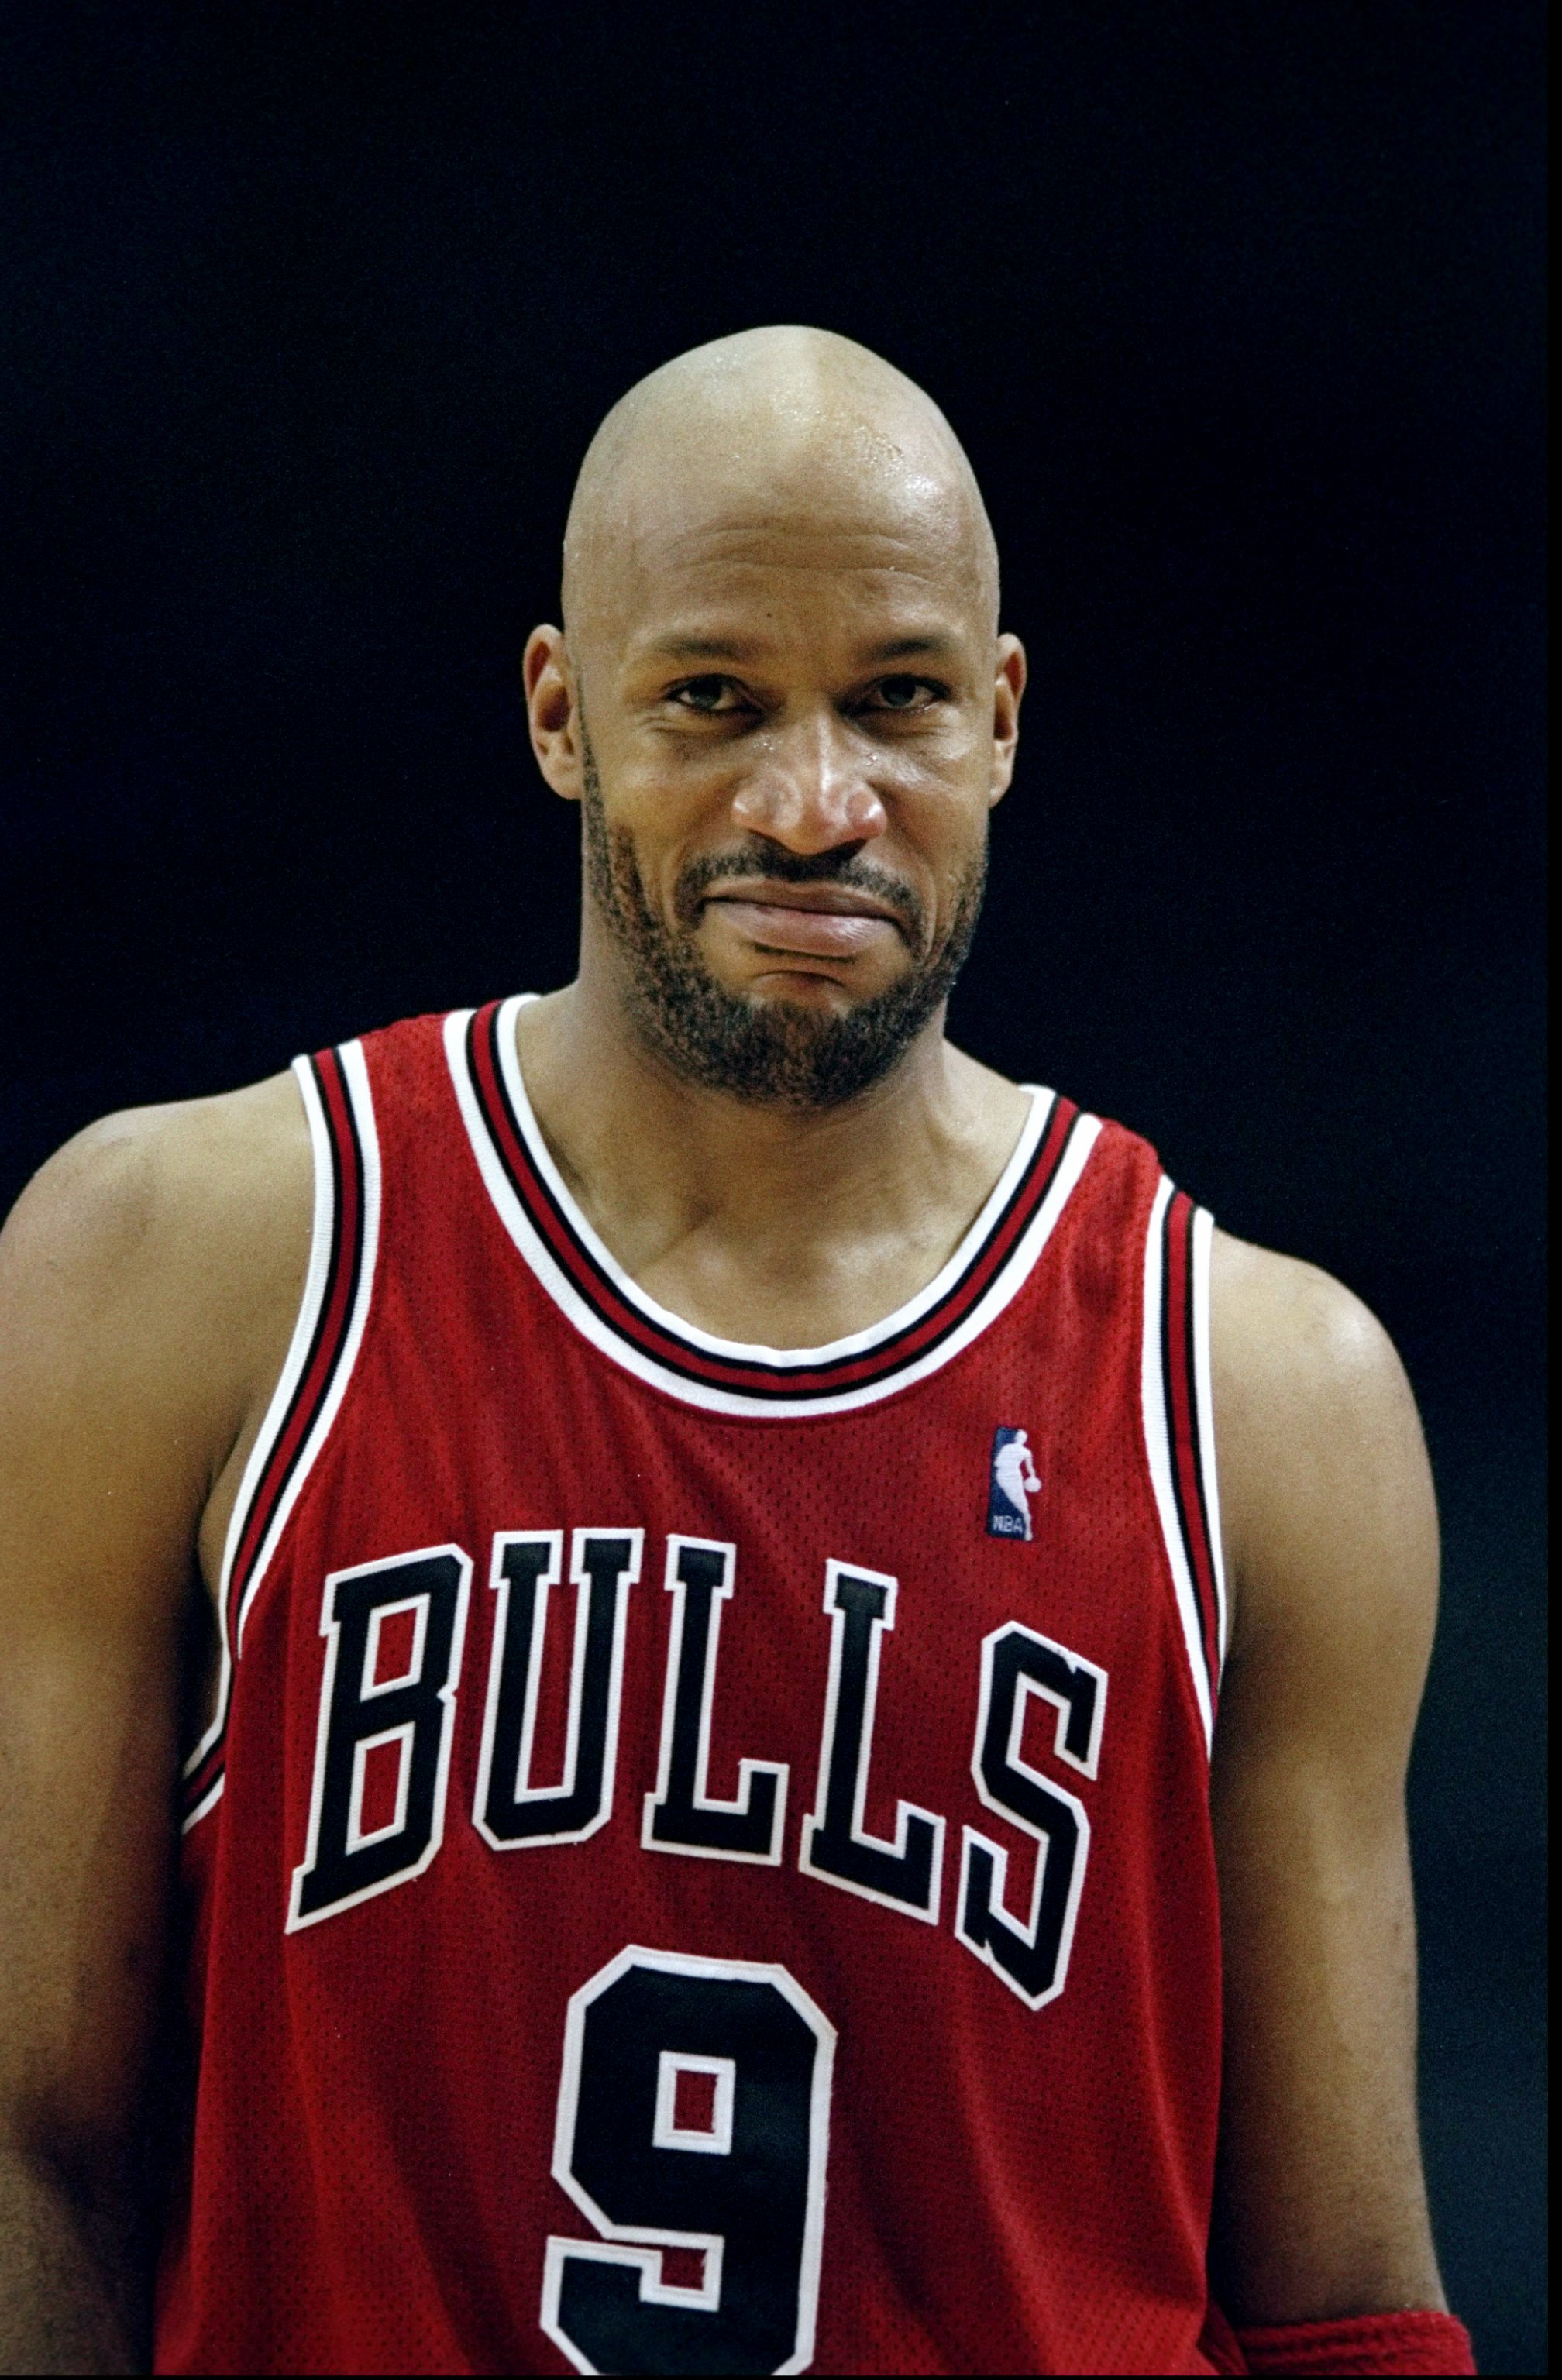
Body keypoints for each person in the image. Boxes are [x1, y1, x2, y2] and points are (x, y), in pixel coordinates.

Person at [0, 327, 1474, 2377]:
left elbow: (1348, 2316)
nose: (812, 806)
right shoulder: (180, 1267)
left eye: (897, 700)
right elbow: (33, 2157)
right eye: (713, 698)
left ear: (1002, 721)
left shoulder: (1262, 1397)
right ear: (559, 714)